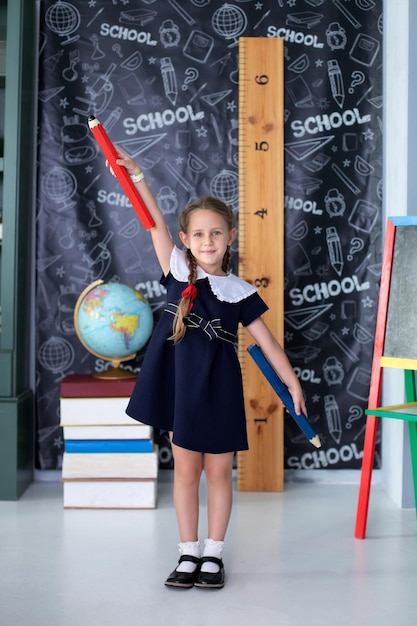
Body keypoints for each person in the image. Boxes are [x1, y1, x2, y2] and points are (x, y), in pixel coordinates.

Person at [107, 147, 307, 590]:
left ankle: (213, 554)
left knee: (219, 473)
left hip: (219, 391)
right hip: (182, 390)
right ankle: (187, 553)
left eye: (216, 233)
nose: (208, 242)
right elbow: (154, 221)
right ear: (186, 240)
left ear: (231, 236)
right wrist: (137, 174)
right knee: (186, 472)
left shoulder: (240, 291)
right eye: (199, 235)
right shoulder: (178, 271)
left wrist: (291, 382)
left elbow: (268, 342)